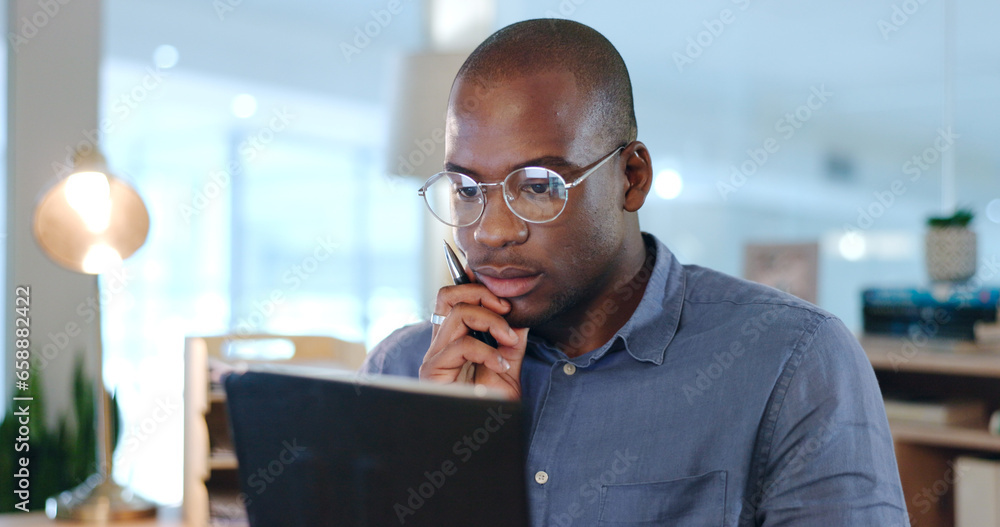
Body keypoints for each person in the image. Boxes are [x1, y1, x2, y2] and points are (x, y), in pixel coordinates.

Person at [361, 18, 909, 526]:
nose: (492, 232)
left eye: (537, 186)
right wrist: (446, 442)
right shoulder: (405, 369)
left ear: (631, 177)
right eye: (467, 190)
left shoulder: (791, 360)